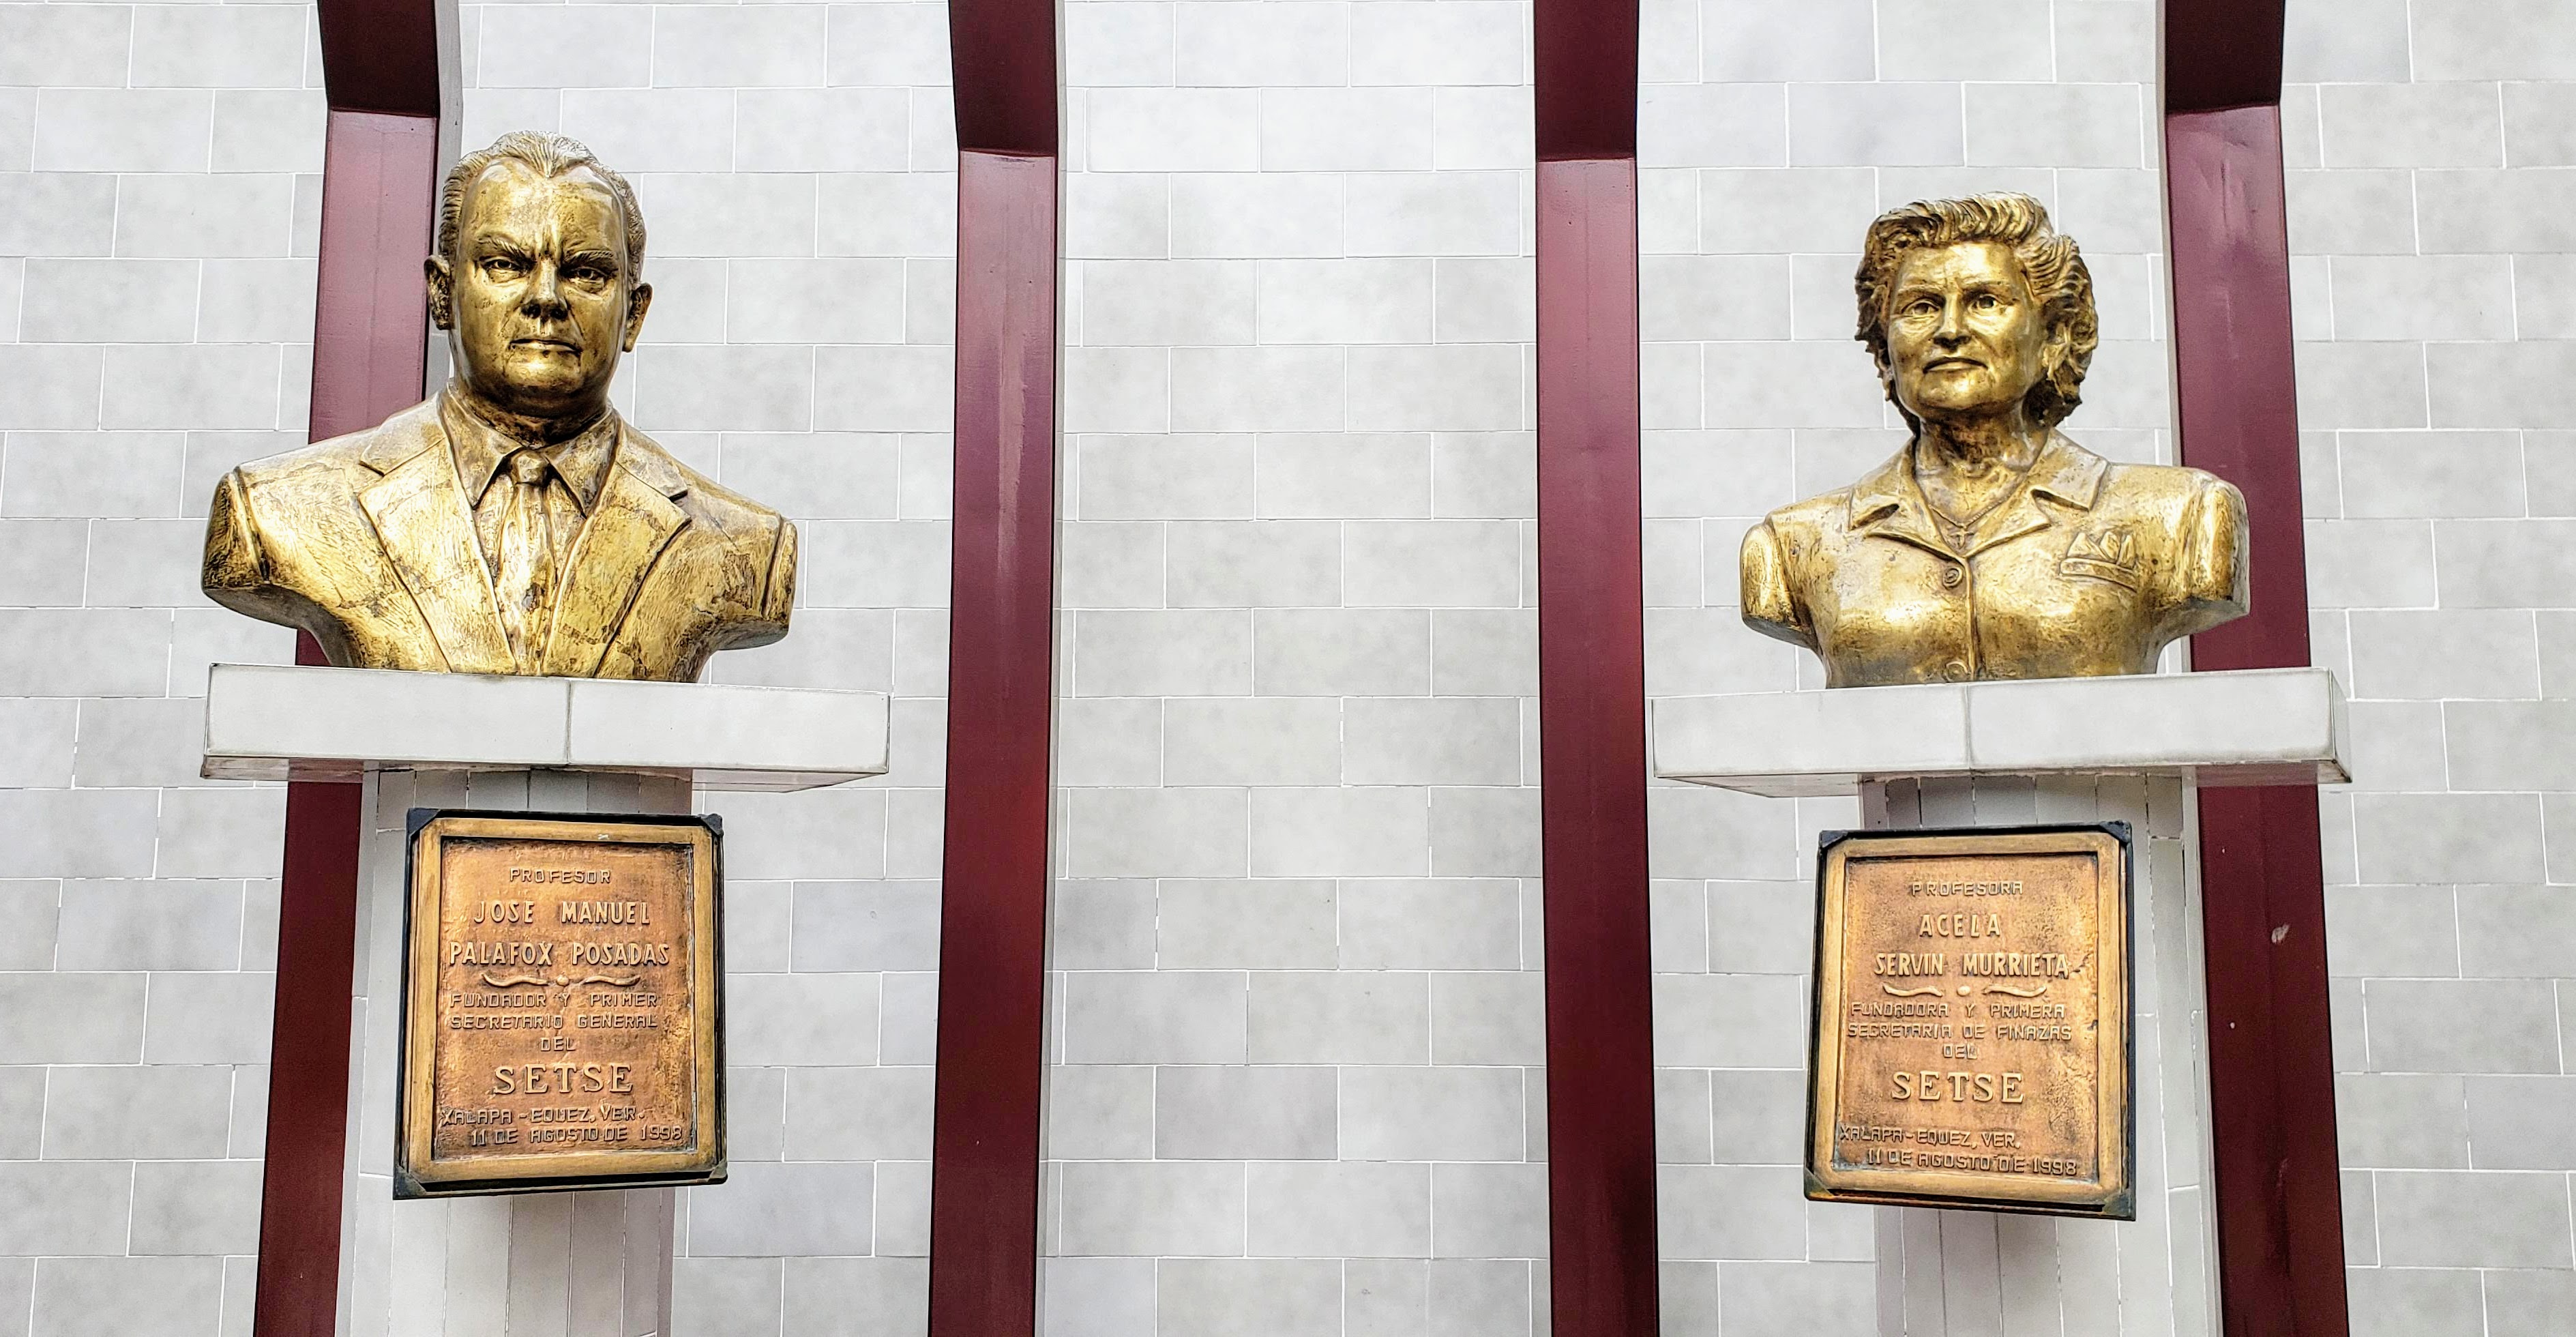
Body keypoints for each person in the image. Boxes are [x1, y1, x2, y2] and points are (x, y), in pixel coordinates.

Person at [201, 132, 797, 681]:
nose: (546, 299)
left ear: (633, 315)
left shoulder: (743, 544)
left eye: (586, 273)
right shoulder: (277, 509)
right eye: (505, 265)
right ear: (442, 294)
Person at [1740, 193, 2246, 687]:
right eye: (1921, 307)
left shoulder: (2181, 516)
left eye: (1985, 302)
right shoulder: (1794, 544)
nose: (1949, 330)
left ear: (2054, 336)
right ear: (1883, 351)